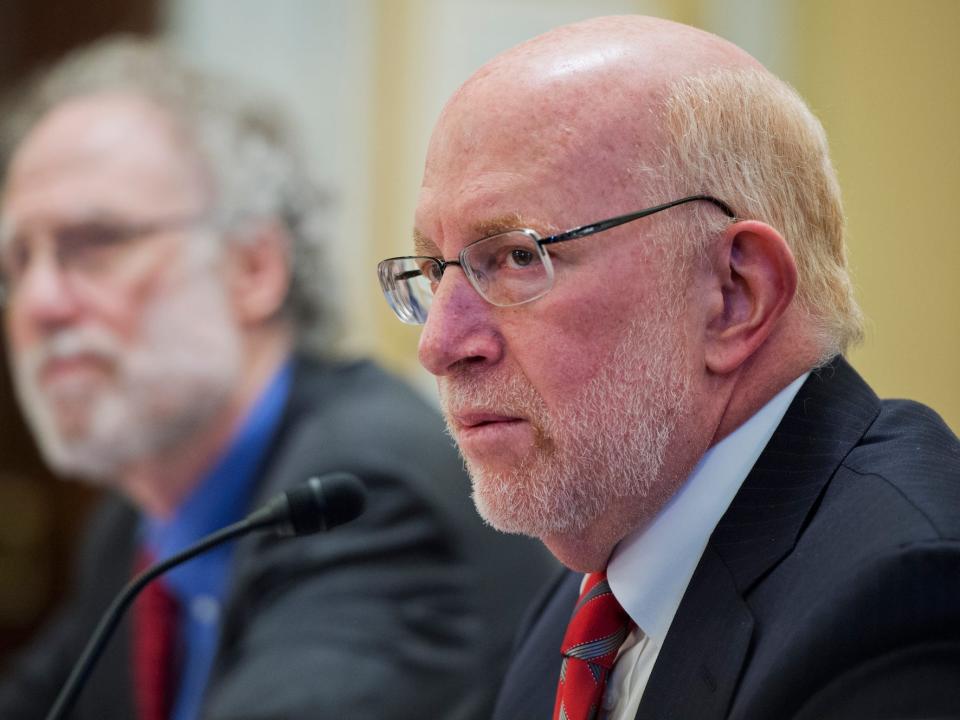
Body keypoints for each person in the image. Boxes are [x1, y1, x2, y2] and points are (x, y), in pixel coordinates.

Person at [376, 15, 960, 720]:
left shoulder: (907, 602)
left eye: (517, 256)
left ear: (735, 296)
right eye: (436, 272)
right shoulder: (587, 600)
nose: (439, 345)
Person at [0, 37, 555, 720]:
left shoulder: (367, 495)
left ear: (253, 269)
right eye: (16, 264)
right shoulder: (135, 527)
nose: (40, 302)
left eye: (96, 244)